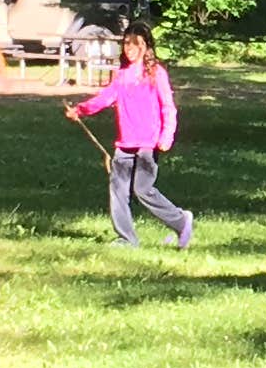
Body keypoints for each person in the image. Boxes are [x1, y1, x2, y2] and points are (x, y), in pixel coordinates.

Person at [69, 30, 194, 249]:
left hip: (148, 143)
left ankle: (181, 221)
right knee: (118, 190)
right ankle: (126, 238)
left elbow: (168, 106)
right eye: (126, 44)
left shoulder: (156, 73)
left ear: (146, 47)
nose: (129, 49)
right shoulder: (122, 75)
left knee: (143, 190)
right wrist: (80, 110)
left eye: (135, 44)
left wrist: (167, 136)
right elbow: (105, 98)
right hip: (125, 145)